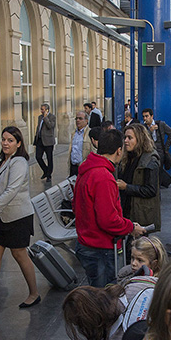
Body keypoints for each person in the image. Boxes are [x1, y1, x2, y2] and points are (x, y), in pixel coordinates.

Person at [73, 128, 146, 288]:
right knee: (104, 297)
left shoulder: (87, 169)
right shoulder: (103, 177)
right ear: (119, 151)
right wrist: (130, 227)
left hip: (86, 242)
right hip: (100, 248)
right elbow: (108, 220)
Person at [0, 126, 40, 308]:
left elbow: (12, 190)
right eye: (4, 139)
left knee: (19, 254)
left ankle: (34, 293)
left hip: (17, 217)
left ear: (18, 143)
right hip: (1, 217)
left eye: (10, 140)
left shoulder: (19, 162)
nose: (6, 143)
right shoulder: (1, 161)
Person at [117, 123, 162, 231]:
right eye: (125, 137)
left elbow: (151, 190)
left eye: (130, 138)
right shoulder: (126, 157)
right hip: (125, 210)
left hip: (141, 214)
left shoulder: (150, 160)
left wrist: (126, 187)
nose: (126, 141)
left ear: (140, 139)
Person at [34, 104, 57, 181]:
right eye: (41, 109)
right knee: (38, 157)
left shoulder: (52, 117)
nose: (41, 111)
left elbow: (50, 126)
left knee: (49, 158)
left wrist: (46, 118)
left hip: (48, 141)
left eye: (43, 109)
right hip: (40, 140)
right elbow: (38, 127)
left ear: (47, 110)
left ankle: (49, 175)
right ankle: (45, 170)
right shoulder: (39, 117)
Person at [69, 111, 92, 177]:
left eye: (80, 118)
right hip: (73, 167)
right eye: (76, 119)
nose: (78, 120)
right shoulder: (74, 133)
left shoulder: (90, 133)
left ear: (86, 120)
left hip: (84, 167)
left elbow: (93, 152)